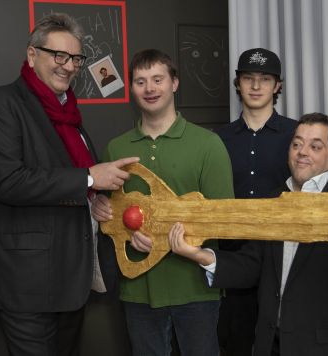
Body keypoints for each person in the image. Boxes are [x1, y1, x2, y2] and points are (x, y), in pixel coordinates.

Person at [0, 13, 138, 356]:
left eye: (75, 58)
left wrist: (94, 202)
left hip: (69, 281)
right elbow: (8, 182)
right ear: (32, 56)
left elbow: (61, 185)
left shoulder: (68, 114)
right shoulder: (0, 106)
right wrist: (90, 177)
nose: (68, 66)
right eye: (58, 56)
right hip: (24, 284)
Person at [168, 113, 328, 356]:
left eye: (315, 146)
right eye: (297, 144)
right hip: (273, 346)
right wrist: (196, 253)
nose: (302, 151)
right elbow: (252, 265)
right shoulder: (273, 201)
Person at [91, 49, 234, 356]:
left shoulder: (208, 145)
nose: (150, 88)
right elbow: (111, 216)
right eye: (141, 81)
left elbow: (222, 219)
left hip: (196, 289)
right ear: (131, 89)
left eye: (158, 79)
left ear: (175, 83)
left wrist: (165, 238)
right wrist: (107, 216)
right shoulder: (117, 147)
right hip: (139, 291)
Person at [214, 47, 297, 355]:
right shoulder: (218, 140)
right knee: (235, 341)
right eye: (248, 78)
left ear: (277, 85)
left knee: (280, 344)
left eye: (265, 79)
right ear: (238, 83)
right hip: (234, 260)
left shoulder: (296, 135)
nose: (256, 86)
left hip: (282, 257)